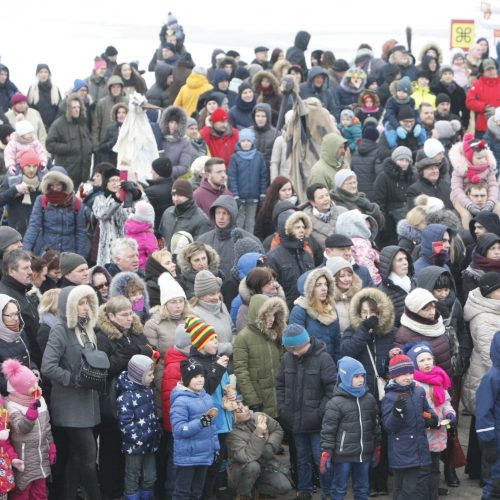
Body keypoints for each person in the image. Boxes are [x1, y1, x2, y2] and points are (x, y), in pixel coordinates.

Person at [41, 285, 101, 500]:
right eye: (80, 303)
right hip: (70, 405)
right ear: (69, 306)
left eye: (88, 302)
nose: (85, 307)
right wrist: (72, 379)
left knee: (76, 458)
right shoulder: (60, 328)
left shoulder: (88, 328)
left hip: (89, 403)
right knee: (87, 457)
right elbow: (48, 366)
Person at [95, 294, 157, 500]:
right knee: (112, 450)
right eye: (123, 315)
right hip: (115, 401)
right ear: (111, 316)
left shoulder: (137, 332)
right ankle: (110, 492)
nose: (129, 318)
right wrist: (130, 353)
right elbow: (106, 367)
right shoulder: (102, 336)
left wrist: (139, 350)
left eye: (130, 313)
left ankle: (133, 491)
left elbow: (151, 351)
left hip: (141, 400)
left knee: (135, 456)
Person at [276, 324, 337, 499]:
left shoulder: (323, 359)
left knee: (321, 459)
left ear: (307, 342)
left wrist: (320, 412)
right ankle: (304, 490)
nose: (295, 353)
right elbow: (280, 384)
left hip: (318, 423)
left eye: (298, 348)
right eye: (290, 349)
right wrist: (283, 407)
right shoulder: (287, 358)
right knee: (301, 458)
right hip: (295, 421)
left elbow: (332, 388)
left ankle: (328, 492)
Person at [320, 356, 379, 500]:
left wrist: (377, 445)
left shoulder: (369, 399)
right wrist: (326, 452)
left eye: (362, 376)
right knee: (339, 488)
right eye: (356, 376)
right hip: (342, 455)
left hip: (363, 454)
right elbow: (328, 430)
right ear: (346, 377)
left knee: (363, 488)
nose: (360, 380)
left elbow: (375, 425)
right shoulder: (336, 402)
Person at [381, 353, 438, 500]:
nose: (408, 377)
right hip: (401, 450)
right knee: (402, 488)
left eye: (410, 373)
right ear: (394, 376)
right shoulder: (390, 397)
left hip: (418, 447)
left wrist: (432, 418)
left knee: (410, 489)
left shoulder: (418, 391)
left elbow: (427, 410)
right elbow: (389, 427)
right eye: (403, 374)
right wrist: (397, 411)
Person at [405, 342, 456, 500]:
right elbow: (411, 409)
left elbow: (445, 402)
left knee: (435, 469)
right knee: (422, 471)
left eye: (429, 359)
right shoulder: (412, 384)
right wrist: (426, 419)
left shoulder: (438, 379)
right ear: (414, 363)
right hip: (421, 435)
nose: (426, 363)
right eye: (421, 360)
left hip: (437, 433)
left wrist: (450, 413)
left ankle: (433, 495)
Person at [462, 272, 500, 483]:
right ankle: (484, 474)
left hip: (488, 373)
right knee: (485, 424)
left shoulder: (492, 309)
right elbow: (489, 352)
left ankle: (475, 469)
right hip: (485, 373)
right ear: (489, 292)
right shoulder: (484, 317)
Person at [2, 358, 54, 499]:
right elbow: (20, 428)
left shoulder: (40, 400)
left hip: (41, 456)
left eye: (35, 382)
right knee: (22, 492)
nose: (35, 386)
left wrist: (51, 445)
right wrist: (31, 413)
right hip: (23, 459)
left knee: (41, 492)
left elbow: (46, 426)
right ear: (19, 388)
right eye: (31, 385)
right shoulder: (12, 405)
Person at [169, 359, 219, 500]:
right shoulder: (180, 401)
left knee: (197, 492)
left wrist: (215, 447)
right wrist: (202, 422)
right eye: (195, 377)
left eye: (202, 376)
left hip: (204, 454)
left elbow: (212, 428)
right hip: (187, 457)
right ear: (186, 379)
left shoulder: (207, 398)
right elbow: (179, 429)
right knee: (182, 493)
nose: (200, 380)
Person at [144, 272, 190, 417]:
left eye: (181, 301)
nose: (178, 306)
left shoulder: (192, 319)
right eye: (173, 302)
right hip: (166, 379)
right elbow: (154, 358)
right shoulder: (153, 325)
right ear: (165, 304)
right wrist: (162, 382)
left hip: (193, 375)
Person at [116, 355, 162, 500]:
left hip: (150, 442)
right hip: (134, 445)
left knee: (151, 475)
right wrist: (139, 437)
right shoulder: (125, 398)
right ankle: (131, 496)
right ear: (138, 375)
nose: (153, 377)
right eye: (149, 374)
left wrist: (157, 431)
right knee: (132, 474)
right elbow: (125, 423)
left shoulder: (148, 391)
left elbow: (153, 414)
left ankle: (147, 496)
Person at [233, 294, 287, 417]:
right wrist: (253, 402)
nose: (271, 319)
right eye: (267, 314)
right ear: (257, 314)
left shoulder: (276, 334)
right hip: (259, 402)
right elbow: (241, 373)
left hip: (280, 400)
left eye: (273, 314)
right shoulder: (243, 338)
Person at [226, 401, 292, 499]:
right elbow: (246, 457)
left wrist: (271, 445)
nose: (246, 409)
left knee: (284, 487)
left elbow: (277, 429)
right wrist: (258, 434)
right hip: (242, 471)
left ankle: (259, 490)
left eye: (244, 405)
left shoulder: (258, 416)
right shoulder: (232, 433)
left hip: (265, 464)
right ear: (233, 416)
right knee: (253, 466)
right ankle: (243, 495)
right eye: (240, 410)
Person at [23, 168, 87, 257]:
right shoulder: (41, 200)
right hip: (46, 250)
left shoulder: (76, 203)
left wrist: (81, 257)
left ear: (64, 185)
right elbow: (34, 225)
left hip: (69, 251)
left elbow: (80, 232)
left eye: (58, 185)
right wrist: (26, 249)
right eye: (52, 185)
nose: (55, 188)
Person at [197, 195, 262, 280]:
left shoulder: (249, 241)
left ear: (232, 215)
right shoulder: (203, 240)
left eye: (225, 213)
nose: (221, 217)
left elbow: (261, 271)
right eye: (218, 213)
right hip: (211, 290)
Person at [394, 288, 452, 375]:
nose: (432, 312)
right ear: (415, 311)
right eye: (427, 309)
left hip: (445, 379)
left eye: (433, 307)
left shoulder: (438, 324)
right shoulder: (404, 335)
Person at [449, 132, 500, 228]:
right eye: (479, 158)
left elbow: (493, 185)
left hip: (484, 194)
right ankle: (469, 238)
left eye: (484, 157)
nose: (482, 160)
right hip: (461, 197)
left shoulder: (487, 168)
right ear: (469, 157)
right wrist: (468, 205)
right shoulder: (460, 168)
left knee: (498, 209)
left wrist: (490, 202)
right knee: (466, 215)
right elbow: (456, 189)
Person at [289, 267, 341, 361]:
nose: (324, 288)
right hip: (310, 368)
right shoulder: (299, 311)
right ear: (309, 289)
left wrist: (338, 365)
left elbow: (338, 344)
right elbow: (297, 347)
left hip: (330, 366)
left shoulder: (331, 309)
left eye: (326, 284)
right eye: (318, 285)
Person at [267, 210, 315, 309]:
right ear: (287, 229)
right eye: (297, 227)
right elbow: (270, 290)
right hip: (285, 311)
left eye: (303, 227)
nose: (302, 230)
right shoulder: (273, 257)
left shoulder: (307, 255)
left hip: (308, 309)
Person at [0, 250, 41, 366]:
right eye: (25, 268)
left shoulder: (21, 290)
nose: (31, 272)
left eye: (30, 267)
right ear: (11, 271)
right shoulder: (5, 299)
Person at [45, 93, 92, 188]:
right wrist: (68, 147)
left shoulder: (82, 123)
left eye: (78, 107)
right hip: (67, 173)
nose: (77, 109)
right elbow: (49, 145)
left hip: (83, 174)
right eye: (74, 107)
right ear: (68, 109)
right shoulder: (58, 124)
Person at [373, 146, 416, 246]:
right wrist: (383, 225)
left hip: (409, 220)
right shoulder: (383, 177)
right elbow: (379, 202)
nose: (404, 163)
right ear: (394, 160)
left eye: (407, 160)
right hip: (390, 224)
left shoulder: (412, 177)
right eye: (401, 160)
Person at [228, 128, 268, 233]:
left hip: (254, 196)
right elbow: (232, 177)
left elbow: (263, 176)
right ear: (239, 142)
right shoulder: (235, 158)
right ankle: (237, 242)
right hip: (240, 197)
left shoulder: (258, 156)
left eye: (248, 141)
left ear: (252, 142)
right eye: (243, 141)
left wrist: (263, 193)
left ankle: (249, 241)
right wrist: (235, 194)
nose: (246, 143)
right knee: (239, 221)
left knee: (251, 221)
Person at [475, 331, 500, 499]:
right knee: (495, 483)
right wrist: (488, 441)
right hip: (496, 442)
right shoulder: (492, 377)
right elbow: (483, 412)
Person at [190, 271, 234, 357]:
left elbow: (233, 330)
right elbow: (203, 345)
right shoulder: (194, 315)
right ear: (201, 295)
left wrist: (236, 343)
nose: (217, 297)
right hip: (213, 364)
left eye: (218, 292)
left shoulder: (222, 306)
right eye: (211, 294)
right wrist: (231, 348)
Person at [0, 151, 44, 235]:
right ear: (22, 166)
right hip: (15, 229)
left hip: (37, 229)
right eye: (28, 166)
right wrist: (15, 189)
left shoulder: (43, 181)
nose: (31, 169)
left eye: (35, 166)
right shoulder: (11, 179)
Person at [159, 179, 211, 251]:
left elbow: (201, 250)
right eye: (173, 195)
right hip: (167, 260)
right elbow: (161, 238)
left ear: (189, 196)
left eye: (180, 195)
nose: (175, 199)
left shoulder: (202, 220)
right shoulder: (167, 213)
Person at [335, 209, 381, 285]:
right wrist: (374, 279)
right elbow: (365, 262)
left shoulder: (345, 242)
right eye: (366, 227)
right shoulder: (360, 243)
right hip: (370, 280)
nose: (369, 231)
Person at [378, 245, 416, 326]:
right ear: (390, 265)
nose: (405, 262)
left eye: (406, 258)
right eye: (400, 260)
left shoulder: (413, 282)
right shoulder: (382, 292)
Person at [325, 257, 362, 338]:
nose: (347, 279)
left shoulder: (359, 296)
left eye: (349, 275)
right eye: (342, 276)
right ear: (333, 278)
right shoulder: (328, 299)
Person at [302, 183, 347, 248]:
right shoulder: (305, 221)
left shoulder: (343, 212)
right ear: (312, 202)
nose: (326, 199)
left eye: (327, 195)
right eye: (321, 197)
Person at [254, 177, 297, 242]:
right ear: (276, 191)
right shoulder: (267, 210)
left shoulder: (296, 206)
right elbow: (258, 233)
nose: (288, 193)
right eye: (284, 190)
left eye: (289, 189)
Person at [466, 58, 500, 135]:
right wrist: (485, 107)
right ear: (483, 71)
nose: (491, 71)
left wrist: (497, 111)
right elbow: (469, 101)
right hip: (483, 126)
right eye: (488, 69)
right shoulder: (477, 84)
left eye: (493, 68)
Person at [124, 201, 159, 271]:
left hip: (127, 266)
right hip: (142, 269)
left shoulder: (128, 227)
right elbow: (155, 255)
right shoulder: (147, 236)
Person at [158, 105, 192, 180]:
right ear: (166, 122)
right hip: (154, 177)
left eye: (176, 123)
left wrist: (166, 171)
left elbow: (184, 167)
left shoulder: (185, 143)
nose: (173, 125)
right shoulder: (159, 138)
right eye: (171, 122)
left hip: (172, 180)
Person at [145, 158, 173, 230]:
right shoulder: (174, 184)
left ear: (158, 173)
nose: (151, 172)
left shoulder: (151, 192)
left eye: (153, 170)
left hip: (156, 230)